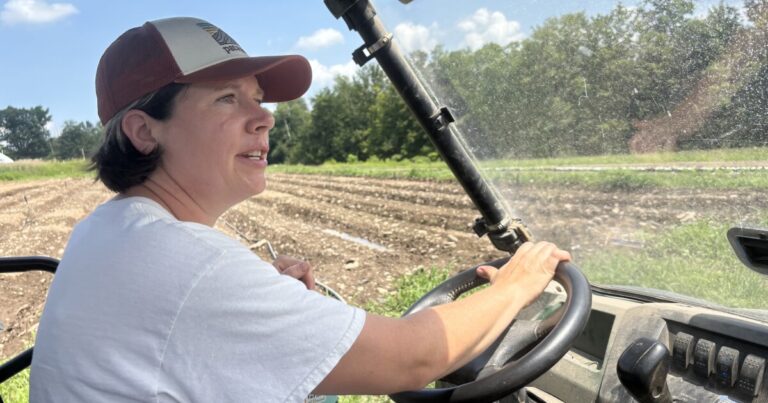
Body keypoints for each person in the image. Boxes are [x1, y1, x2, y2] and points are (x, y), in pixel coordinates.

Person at [29, 17, 572, 402]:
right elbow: (415, 359)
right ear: (144, 131)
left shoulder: (110, 229)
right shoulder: (187, 263)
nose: (264, 118)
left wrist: (267, 307)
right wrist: (515, 283)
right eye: (226, 98)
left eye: (258, 98)